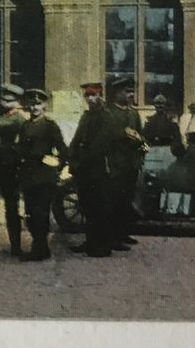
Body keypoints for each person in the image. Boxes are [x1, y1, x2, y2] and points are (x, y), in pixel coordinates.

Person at [16, 88, 67, 261]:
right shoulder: (25, 126)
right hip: (29, 177)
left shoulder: (50, 126)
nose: (35, 107)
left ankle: (40, 248)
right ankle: (39, 247)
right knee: (30, 213)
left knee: (41, 213)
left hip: (44, 177)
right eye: (31, 104)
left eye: (38, 104)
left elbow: (63, 151)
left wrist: (56, 166)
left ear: (44, 105)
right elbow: (21, 150)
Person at [67, 82, 113, 256]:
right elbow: (77, 138)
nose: (91, 99)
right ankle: (90, 241)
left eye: (94, 95)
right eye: (87, 96)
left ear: (101, 96)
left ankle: (102, 246)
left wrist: (80, 162)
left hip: (97, 168)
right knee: (86, 206)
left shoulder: (105, 117)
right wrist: (71, 157)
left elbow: (98, 147)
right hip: (83, 169)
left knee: (99, 208)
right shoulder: (86, 116)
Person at [104, 76, 148, 250]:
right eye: (126, 92)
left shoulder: (133, 113)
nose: (130, 95)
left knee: (126, 201)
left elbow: (140, 136)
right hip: (115, 165)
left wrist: (140, 150)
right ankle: (112, 238)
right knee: (113, 202)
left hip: (131, 165)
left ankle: (122, 233)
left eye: (131, 91)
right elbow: (106, 139)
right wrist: (124, 135)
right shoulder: (109, 113)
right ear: (116, 94)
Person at [0, 83, 30, 258]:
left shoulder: (21, 120)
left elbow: (23, 145)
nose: (5, 103)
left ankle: (16, 246)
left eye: (9, 101)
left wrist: (3, 145)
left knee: (12, 208)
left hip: (10, 168)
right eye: (3, 99)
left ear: (17, 103)